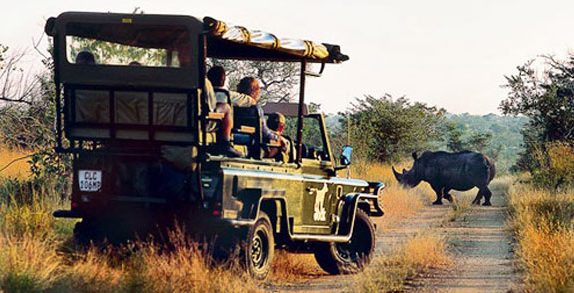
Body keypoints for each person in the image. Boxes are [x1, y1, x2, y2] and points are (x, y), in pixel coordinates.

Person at [236, 77, 289, 149]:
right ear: (254, 91)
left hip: (237, 138)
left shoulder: (233, 107)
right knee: (285, 146)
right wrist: (278, 138)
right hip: (254, 145)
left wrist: (273, 133)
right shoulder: (255, 109)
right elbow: (264, 133)